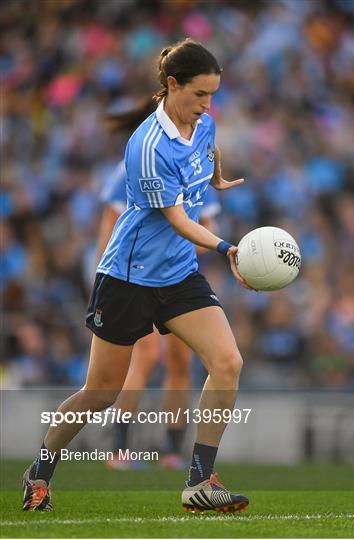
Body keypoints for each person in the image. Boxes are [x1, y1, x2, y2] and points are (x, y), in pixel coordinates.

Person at [23, 38, 252, 514]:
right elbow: (178, 221)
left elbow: (206, 152)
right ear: (171, 85)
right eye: (199, 95)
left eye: (213, 95)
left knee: (228, 363)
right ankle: (40, 471)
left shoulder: (204, 124)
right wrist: (229, 247)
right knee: (100, 393)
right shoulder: (146, 145)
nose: (207, 105)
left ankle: (199, 482)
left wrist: (216, 179)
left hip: (178, 276)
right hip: (129, 278)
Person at [98, 113, 222, 469]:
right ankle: (119, 448)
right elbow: (110, 231)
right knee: (146, 355)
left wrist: (187, 245)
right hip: (133, 277)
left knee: (181, 361)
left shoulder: (194, 163)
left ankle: (172, 450)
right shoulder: (131, 166)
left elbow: (204, 222)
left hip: (176, 275)